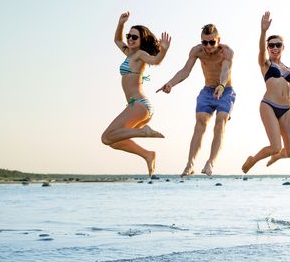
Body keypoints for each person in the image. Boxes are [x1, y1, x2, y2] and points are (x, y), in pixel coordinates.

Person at [241, 12, 290, 173]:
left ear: (283, 47)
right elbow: (260, 51)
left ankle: (277, 156)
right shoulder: (265, 64)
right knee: (276, 146)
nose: (275, 48)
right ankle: (252, 160)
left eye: (278, 45)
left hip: (286, 110)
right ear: (268, 48)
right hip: (268, 105)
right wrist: (263, 32)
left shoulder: (289, 70)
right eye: (272, 45)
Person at [157, 24, 235, 177]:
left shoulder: (227, 51)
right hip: (207, 91)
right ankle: (190, 164)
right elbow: (185, 71)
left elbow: (225, 70)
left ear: (218, 40)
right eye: (204, 42)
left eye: (212, 42)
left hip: (225, 91)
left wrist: (221, 85)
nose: (208, 46)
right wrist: (170, 83)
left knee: (221, 121)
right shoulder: (197, 51)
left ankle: (210, 162)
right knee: (200, 122)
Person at [101, 11, 171, 176]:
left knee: (106, 137)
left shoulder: (139, 55)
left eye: (134, 37)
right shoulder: (129, 53)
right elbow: (117, 40)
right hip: (138, 106)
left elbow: (155, 61)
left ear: (142, 41)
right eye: (129, 36)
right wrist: (121, 23)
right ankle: (148, 155)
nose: (130, 39)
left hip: (140, 105)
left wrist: (164, 51)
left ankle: (144, 132)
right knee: (115, 141)